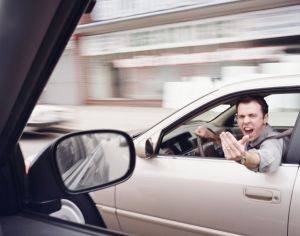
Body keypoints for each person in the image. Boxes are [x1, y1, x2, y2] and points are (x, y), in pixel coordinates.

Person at [195, 95, 283, 173]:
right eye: (241, 116)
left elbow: (267, 160)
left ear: (265, 118)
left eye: (252, 115)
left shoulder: (273, 141)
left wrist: (243, 157)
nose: (246, 121)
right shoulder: (254, 136)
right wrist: (212, 137)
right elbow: (234, 150)